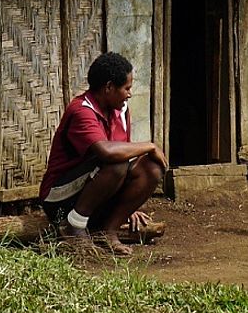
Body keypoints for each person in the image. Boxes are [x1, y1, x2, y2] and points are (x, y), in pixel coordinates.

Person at [38, 51, 166, 256]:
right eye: (126, 88)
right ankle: (75, 226)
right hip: (59, 200)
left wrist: (127, 208)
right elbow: (108, 153)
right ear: (108, 88)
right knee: (115, 162)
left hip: (94, 194)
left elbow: (124, 156)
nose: (129, 94)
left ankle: (108, 231)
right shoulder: (82, 111)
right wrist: (150, 146)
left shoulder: (120, 110)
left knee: (152, 168)